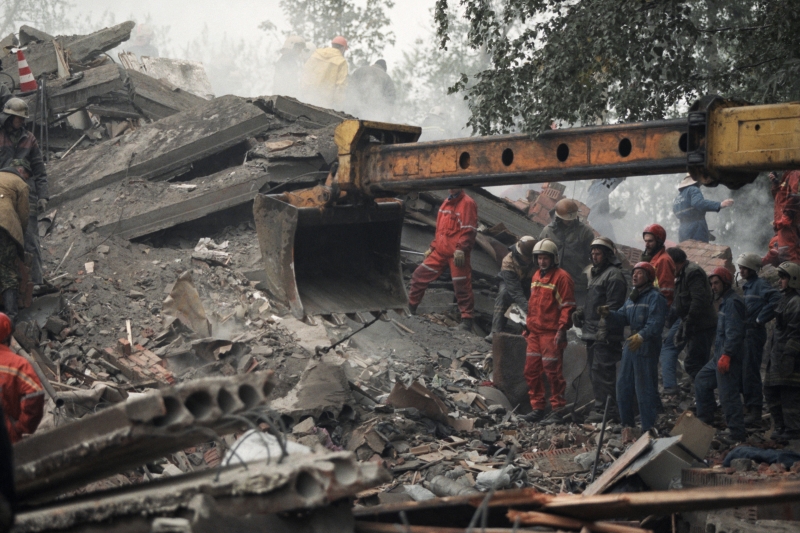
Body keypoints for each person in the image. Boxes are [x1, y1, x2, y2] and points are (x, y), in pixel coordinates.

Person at [599, 262, 667, 431]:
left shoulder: (655, 297)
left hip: (646, 345)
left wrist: (642, 335)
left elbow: (656, 323)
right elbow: (622, 317)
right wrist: (609, 315)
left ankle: (647, 427)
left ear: (649, 277)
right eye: (634, 273)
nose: (635, 276)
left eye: (640, 273)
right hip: (632, 343)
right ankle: (627, 425)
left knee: (644, 387)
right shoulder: (632, 298)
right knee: (623, 385)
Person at [573, 237, 627, 422]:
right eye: (593, 253)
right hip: (592, 332)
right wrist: (582, 312)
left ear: (608, 255)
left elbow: (613, 306)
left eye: (598, 253)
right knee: (595, 372)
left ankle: (608, 412)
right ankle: (601, 408)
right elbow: (595, 302)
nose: (595, 257)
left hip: (605, 335)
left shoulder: (614, 275)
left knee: (604, 372)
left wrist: (604, 329)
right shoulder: (597, 274)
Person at [522, 238, 576, 423]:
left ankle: (558, 410)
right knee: (531, 371)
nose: (542, 261)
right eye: (539, 258)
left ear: (553, 258)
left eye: (545, 258)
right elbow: (533, 305)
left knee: (553, 372)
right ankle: (537, 408)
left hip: (551, 334)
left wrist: (562, 330)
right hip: (535, 333)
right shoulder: (536, 276)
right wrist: (528, 327)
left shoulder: (562, 277)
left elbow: (567, 307)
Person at [408, 188, 478, 330]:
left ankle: (466, 321)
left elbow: (469, 230)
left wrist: (461, 250)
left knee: (461, 286)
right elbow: (440, 230)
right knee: (419, 275)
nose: (451, 187)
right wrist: (432, 247)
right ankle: (410, 309)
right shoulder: (446, 202)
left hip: (457, 254)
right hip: (440, 251)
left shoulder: (467, 203)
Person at [694, 267, 747, 443]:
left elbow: (734, 332)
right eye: (711, 284)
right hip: (719, 355)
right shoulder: (726, 301)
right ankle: (706, 423)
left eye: (716, 283)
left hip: (728, 356)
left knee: (728, 395)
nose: (713, 287)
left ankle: (737, 434)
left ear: (725, 283)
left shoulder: (732, 302)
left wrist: (728, 355)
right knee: (702, 380)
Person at [0, 98, 48, 287]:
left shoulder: (29, 139)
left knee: (30, 238)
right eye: (17, 118)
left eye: (22, 119)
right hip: (4, 194)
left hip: (27, 194)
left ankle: (35, 281)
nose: (21, 122)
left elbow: (39, 169)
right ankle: (9, 285)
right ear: (8, 117)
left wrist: (43, 195)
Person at [659, 247, 717, 394]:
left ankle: (705, 396)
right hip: (690, 321)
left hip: (701, 325)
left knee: (695, 362)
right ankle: (697, 391)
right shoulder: (681, 274)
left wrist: (687, 324)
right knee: (692, 360)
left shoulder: (692, 272)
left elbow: (698, 301)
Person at [737, 252, 780, 426]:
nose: (741, 271)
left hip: (754, 333)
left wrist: (760, 319)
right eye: (740, 267)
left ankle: (754, 411)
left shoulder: (760, 284)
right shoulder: (748, 286)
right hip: (746, 333)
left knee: (750, 372)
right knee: (743, 371)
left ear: (753, 268)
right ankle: (748, 406)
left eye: (744, 268)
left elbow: (776, 299)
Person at [764, 261, 800, 442]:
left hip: (788, 359)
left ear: (793, 279)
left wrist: (789, 356)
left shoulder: (796, 303)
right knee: (771, 391)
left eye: (784, 278)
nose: (780, 281)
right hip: (776, 357)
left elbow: (796, 333)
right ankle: (781, 427)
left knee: (789, 395)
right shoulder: (784, 299)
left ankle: (793, 431)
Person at [539, 198, 594, 305]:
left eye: (572, 218)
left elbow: (593, 256)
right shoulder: (548, 231)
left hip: (577, 283)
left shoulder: (585, 232)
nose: (569, 221)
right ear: (558, 217)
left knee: (574, 315)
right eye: (566, 219)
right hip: (552, 281)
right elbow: (539, 256)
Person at [0, 311, 43, 443]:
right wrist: (21, 427)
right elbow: (34, 394)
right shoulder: (17, 365)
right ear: (8, 336)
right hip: (6, 440)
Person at [485, 236, 536, 344]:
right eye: (526, 258)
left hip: (529, 284)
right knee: (504, 294)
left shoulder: (537, 259)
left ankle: (530, 334)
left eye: (530, 258)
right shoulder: (508, 261)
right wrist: (528, 309)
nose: (528, 260)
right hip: (509, 283)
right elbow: (516, 292)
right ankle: (495, 332)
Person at [0, 164, 28, 324]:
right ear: (21, 171)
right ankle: (10, 317)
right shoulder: (21, 184)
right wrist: (19, 238)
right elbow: (23, 216)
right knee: (7, 270)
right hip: (3, 226)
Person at [672, 174, 734, 243]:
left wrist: (705, 232)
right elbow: (698, 203)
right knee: (700, 250)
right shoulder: (693, 189)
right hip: (696, 227)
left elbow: (676, 212)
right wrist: (720, 204)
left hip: (683, 229)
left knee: (686, 251)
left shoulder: (679, 196)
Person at [300, 36, 349, 109]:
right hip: (325, 103)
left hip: (308, 98)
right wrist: (338, 104)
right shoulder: (342, 62)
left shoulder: (316, 54)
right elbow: (341, 86)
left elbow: (305, 73)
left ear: (332, 45)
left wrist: (303, 93)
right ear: (342, 49)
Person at [641, 224, 675, 307]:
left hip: (658, 307)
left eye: (650, 241)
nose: (646, 245)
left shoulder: (664, 260)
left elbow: (666, 291)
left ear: (659, 242)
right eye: (645, 241)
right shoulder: (654, 260)